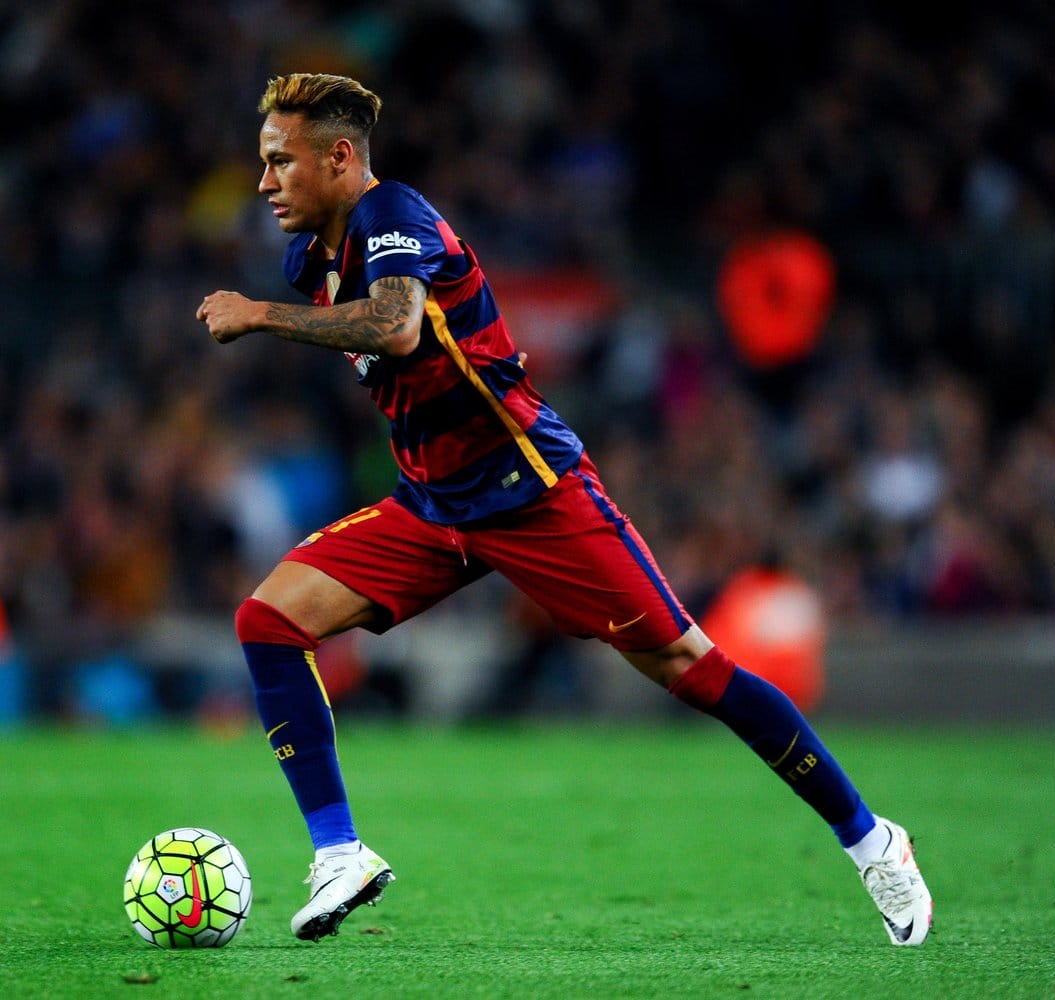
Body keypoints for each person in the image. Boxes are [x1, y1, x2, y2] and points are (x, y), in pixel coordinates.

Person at [196, 73, 933, 946]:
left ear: (340, 158)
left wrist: (260, 318)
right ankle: (338, 853)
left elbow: (396, 327)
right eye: (263, 164)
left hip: (529, 491)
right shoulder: (309, 260)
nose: (265, 181)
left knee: (689, 668)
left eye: (280, 162)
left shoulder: (393, 214)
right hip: (435, 504)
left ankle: (871, 838)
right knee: (269, 619)